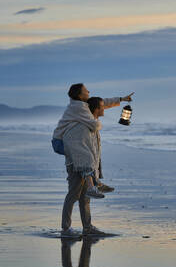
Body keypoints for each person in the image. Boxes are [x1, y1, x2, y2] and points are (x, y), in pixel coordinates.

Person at [55, 83, 133, 236]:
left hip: (83, 164)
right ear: (79, 95)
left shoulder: (85, 114)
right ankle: (65, 229)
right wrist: (84, 167)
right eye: (86, 90)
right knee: (73, 195)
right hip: (75, 163)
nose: (89, 92)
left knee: (85, 198)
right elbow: (78, 147)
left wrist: (121, 99)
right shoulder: (80, 122)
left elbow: (102, 101)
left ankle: (88, 228)